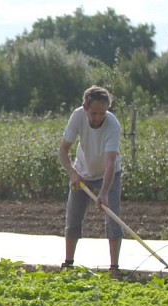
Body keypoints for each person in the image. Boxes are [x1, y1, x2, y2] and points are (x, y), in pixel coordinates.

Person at [57, 85, 123, 274]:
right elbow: (63, 150)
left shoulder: (112, 125)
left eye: (102, 113)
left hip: (109, 174)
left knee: (113, 219)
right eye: (94, 113)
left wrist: (103, 193)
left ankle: (114, 268)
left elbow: (110, 163)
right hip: (82, 173)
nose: (97, 117)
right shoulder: (77, 116)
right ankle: (68, 263)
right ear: (85, 108)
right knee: (73, 217)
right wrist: (72, 173)